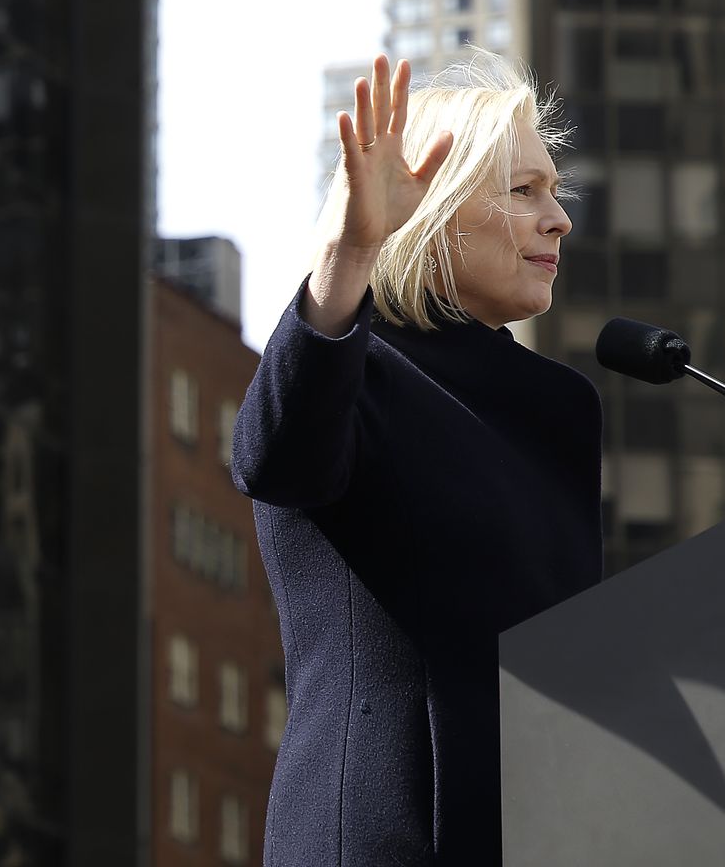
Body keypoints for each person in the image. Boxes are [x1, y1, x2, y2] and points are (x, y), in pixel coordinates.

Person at [231, 51, 602, 865]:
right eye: (523, 191)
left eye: (555, 190)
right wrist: (348, 257)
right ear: (427, 206)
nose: (559, 219)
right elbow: (276, 463)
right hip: (386, 835)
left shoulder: (560, 407)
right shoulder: (345, 365)